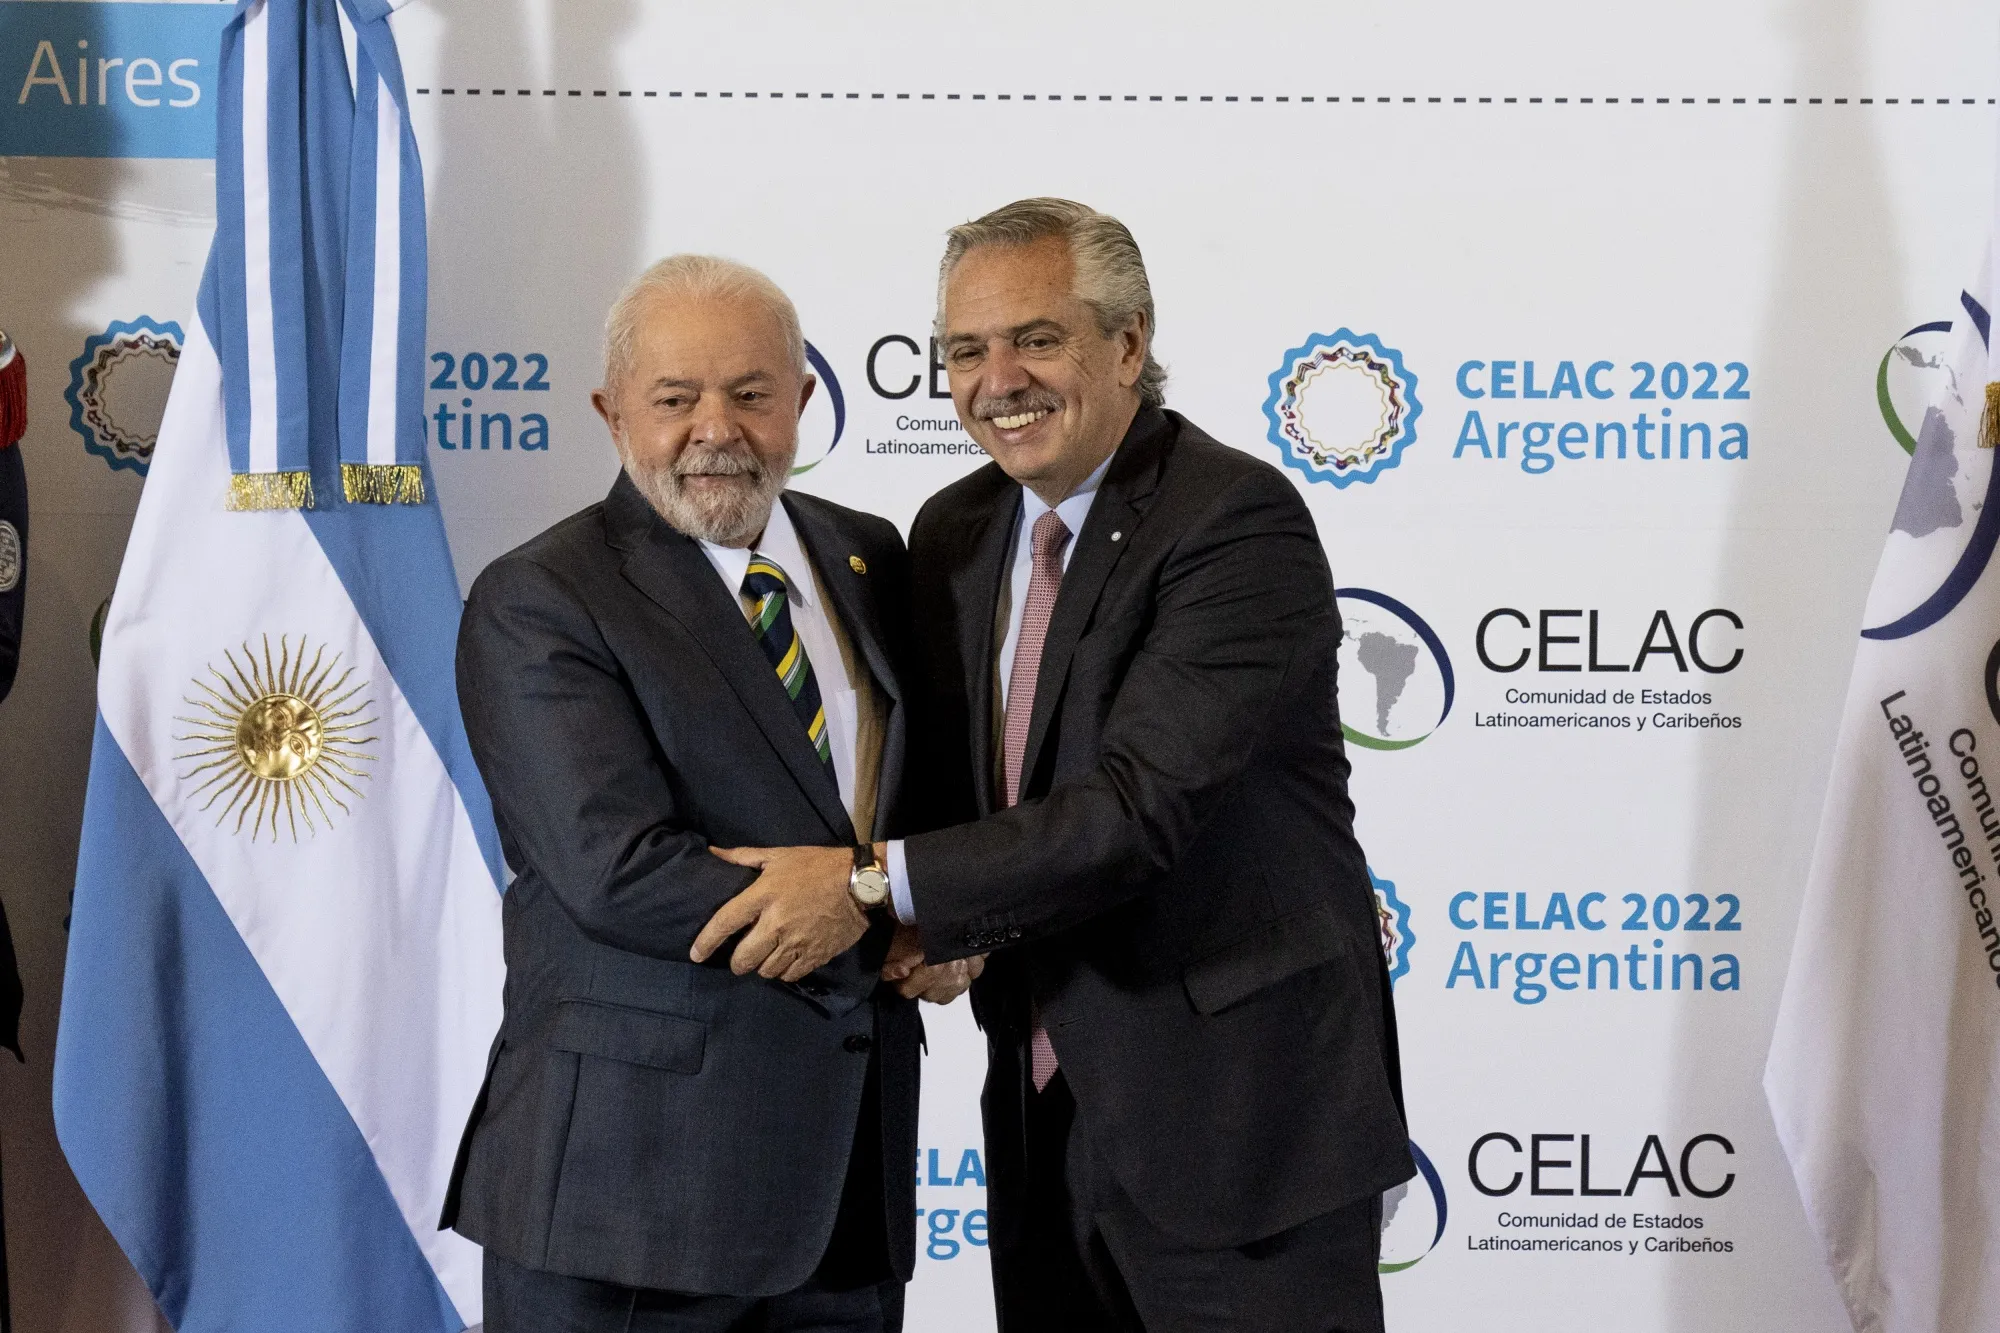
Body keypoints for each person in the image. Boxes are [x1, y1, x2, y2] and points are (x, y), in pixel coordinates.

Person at [693, 200, 1414, 1333]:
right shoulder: (956, 529)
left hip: (1243, 1128)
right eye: (965, 349)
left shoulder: (1234, 522)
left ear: (1127, 344)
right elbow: (967, 795)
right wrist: (936, 927)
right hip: (1040, 1125)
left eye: (1036, 339)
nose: (999, 380)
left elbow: (1133, 812)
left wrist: (868, 886)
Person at [444, 254, 973, 1333]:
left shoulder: (869, 554)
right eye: (674, 398)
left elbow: (913, 800)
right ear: (611, 413)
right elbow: (615, 872)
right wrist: (885, 908)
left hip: (847, 1199)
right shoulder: (539, 598)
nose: (714, 429)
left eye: (750, 392)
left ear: (804, 400)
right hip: (628, 1205)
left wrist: (957, 913)